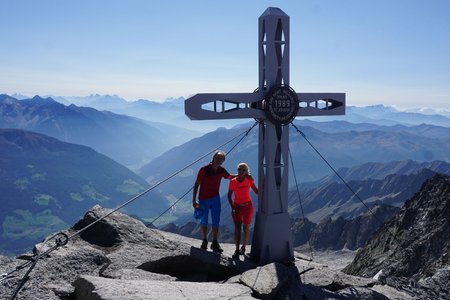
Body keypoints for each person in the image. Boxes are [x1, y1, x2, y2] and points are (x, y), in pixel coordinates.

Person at [192, 150, 232, 252]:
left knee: (216, 220)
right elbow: (196, 184)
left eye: (221, 159)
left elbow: (230, 177)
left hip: (215, 198)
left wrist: (242, 175)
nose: (219, 160)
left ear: (223, 161)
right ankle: (205, 240)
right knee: (204, 220)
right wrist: (194, 200)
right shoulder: (204, 170)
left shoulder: (221, 170)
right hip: (203, 198)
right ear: (213, 157)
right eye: (217, 158)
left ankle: (214, 242)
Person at [227, 162, 258, 258]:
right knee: (237, 228)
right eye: (239, 169)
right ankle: (237, 249)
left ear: (246, 172)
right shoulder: (233, 181)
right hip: (237, 207)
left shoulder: (249, 180)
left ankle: (243, 247)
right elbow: (229, 195)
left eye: (243, 170)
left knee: (245, 228)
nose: (241, 171)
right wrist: (232, 208)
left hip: (248, 207)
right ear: (237, 170)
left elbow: (256, 191)